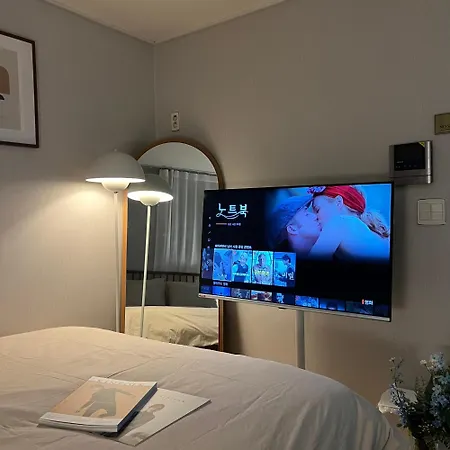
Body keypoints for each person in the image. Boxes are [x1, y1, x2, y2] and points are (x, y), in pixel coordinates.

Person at [308, 185, 390, 261]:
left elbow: (311, 266)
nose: (314, 217)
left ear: (338, 202)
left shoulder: (339, 222)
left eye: (317, 210)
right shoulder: (369, 232)